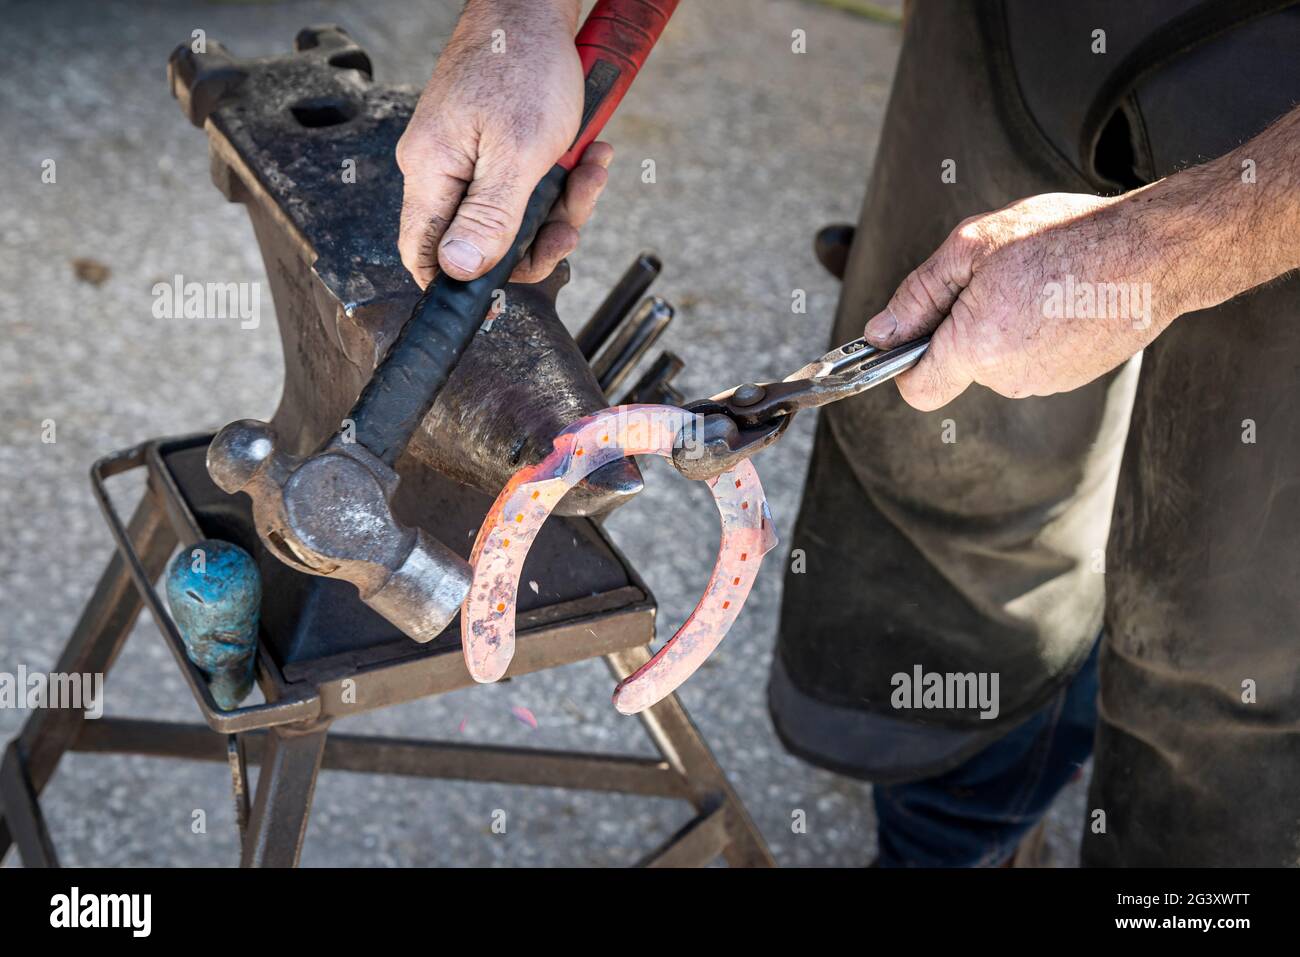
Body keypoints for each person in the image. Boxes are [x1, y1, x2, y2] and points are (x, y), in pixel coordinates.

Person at [394, 0, 1300, 866]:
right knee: (942, 493)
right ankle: (952, 841)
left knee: (1230, 645)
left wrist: (1166, 248)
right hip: (1017, 32)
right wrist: (518, 22)